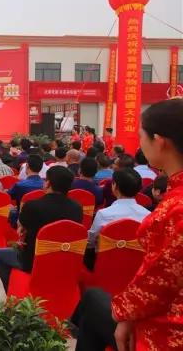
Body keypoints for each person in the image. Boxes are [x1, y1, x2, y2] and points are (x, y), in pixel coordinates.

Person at [75, 98, 183, 351]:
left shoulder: (175, 208)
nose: (140, 144)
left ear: (160, 141)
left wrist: (123, 313)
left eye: (141, 136)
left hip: (170, 328)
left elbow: (157, 284)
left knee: (93, 301)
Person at [0, 165, 82, 291]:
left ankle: (13, 293)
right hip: (65, 260)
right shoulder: (77, 208)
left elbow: (21, 227)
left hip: (34, 261)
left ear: (48, 183)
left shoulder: (32, 206)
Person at [83, 168, 150, 271]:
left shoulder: (104, 214)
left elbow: (90, 242)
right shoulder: (148, 215)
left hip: (106, 267)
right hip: (137, 267)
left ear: (115, 187)